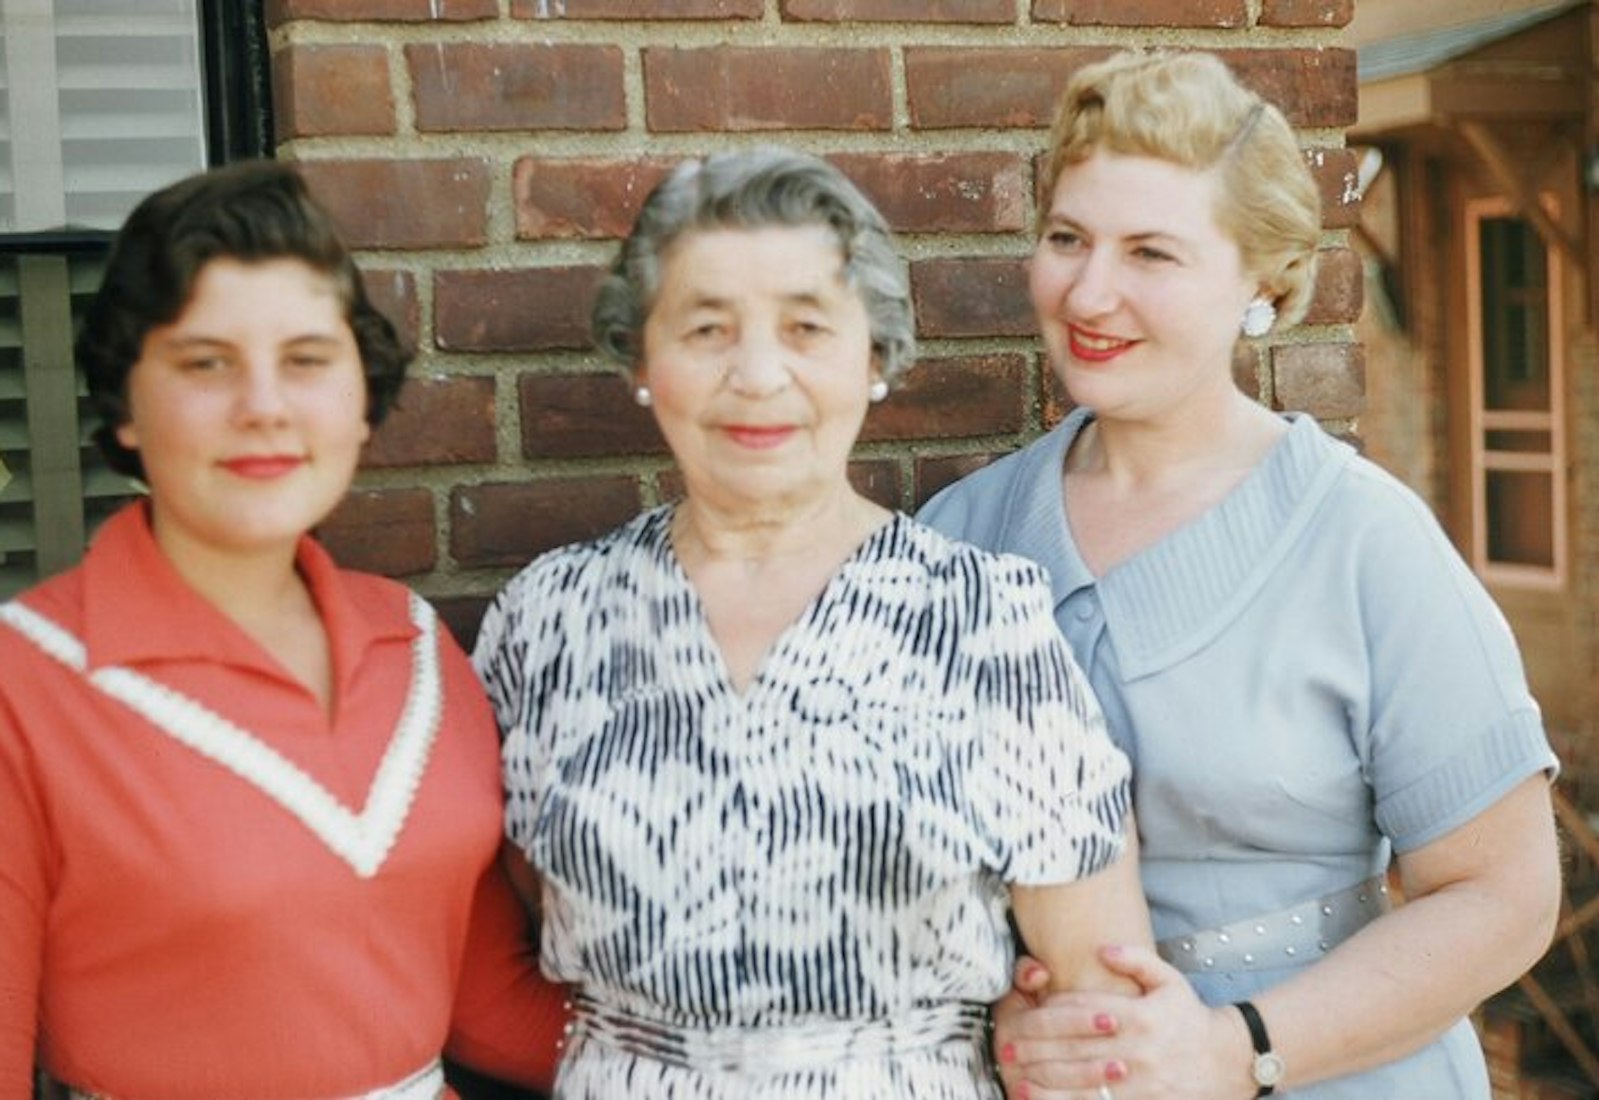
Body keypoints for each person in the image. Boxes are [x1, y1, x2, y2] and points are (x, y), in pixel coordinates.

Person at [918, 50, 1562, 1099]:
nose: (1090, 289)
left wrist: (1235, 1046)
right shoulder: (958, 539)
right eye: (1067, 238)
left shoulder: (1364, 541)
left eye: (1151, 253)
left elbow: (1508, 895)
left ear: (1262, 281)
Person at [471, 146, 1152, 1099]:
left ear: (873, 355)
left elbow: (1095, 1004)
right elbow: (517, 907)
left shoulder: (979, 621)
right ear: (641, 358)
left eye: (806, 327)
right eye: (706, 328)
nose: (757, 375)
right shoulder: (547, 621)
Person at [0, 161, 566, 1099]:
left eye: (306, 359)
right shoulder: (27, 684)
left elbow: (481, 998)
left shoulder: (420, 651)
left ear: (359, 397)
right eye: (204, 362)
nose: (263, 405)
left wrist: (755, 1063)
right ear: (126, 406)